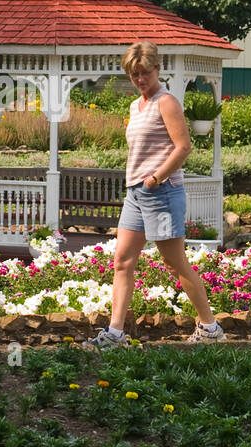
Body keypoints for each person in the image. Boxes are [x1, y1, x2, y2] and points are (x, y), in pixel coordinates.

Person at [83, 41, 225, 349]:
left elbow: (183, 146)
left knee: (174, 263)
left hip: (161, 192)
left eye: (144, 73)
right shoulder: (136, 106)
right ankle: (115, 333)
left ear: (157, 69)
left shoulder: (167, 102)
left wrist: (157, 177)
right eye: (134, 74)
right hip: (136, 193)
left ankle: (211, 328)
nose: (139, 79)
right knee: (122, 260)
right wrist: (141, 181)